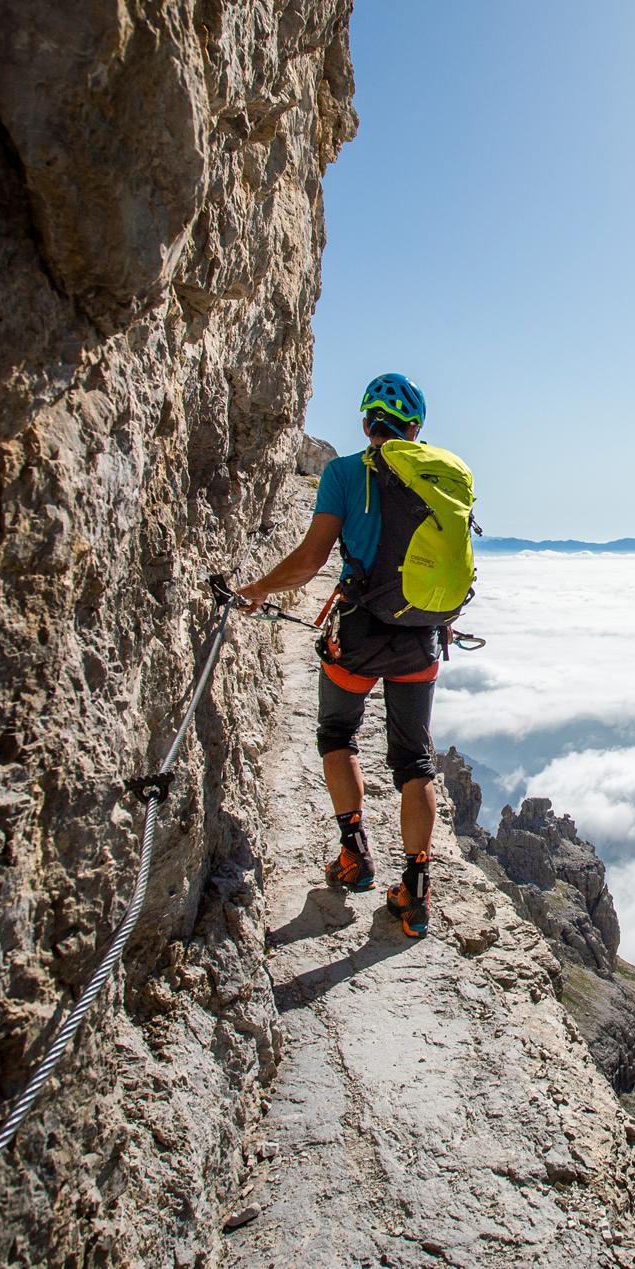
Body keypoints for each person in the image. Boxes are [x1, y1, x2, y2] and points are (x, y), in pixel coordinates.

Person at [237, 373, 449, 938]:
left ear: (365, 422)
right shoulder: (440, 479)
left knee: (337, 734)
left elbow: (310, 562)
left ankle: (354, 853)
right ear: (415, 428)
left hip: (357, 634)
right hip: (421, 636)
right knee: (413, 760)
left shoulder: (342, 473)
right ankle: (416, 891)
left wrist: (257, 589)